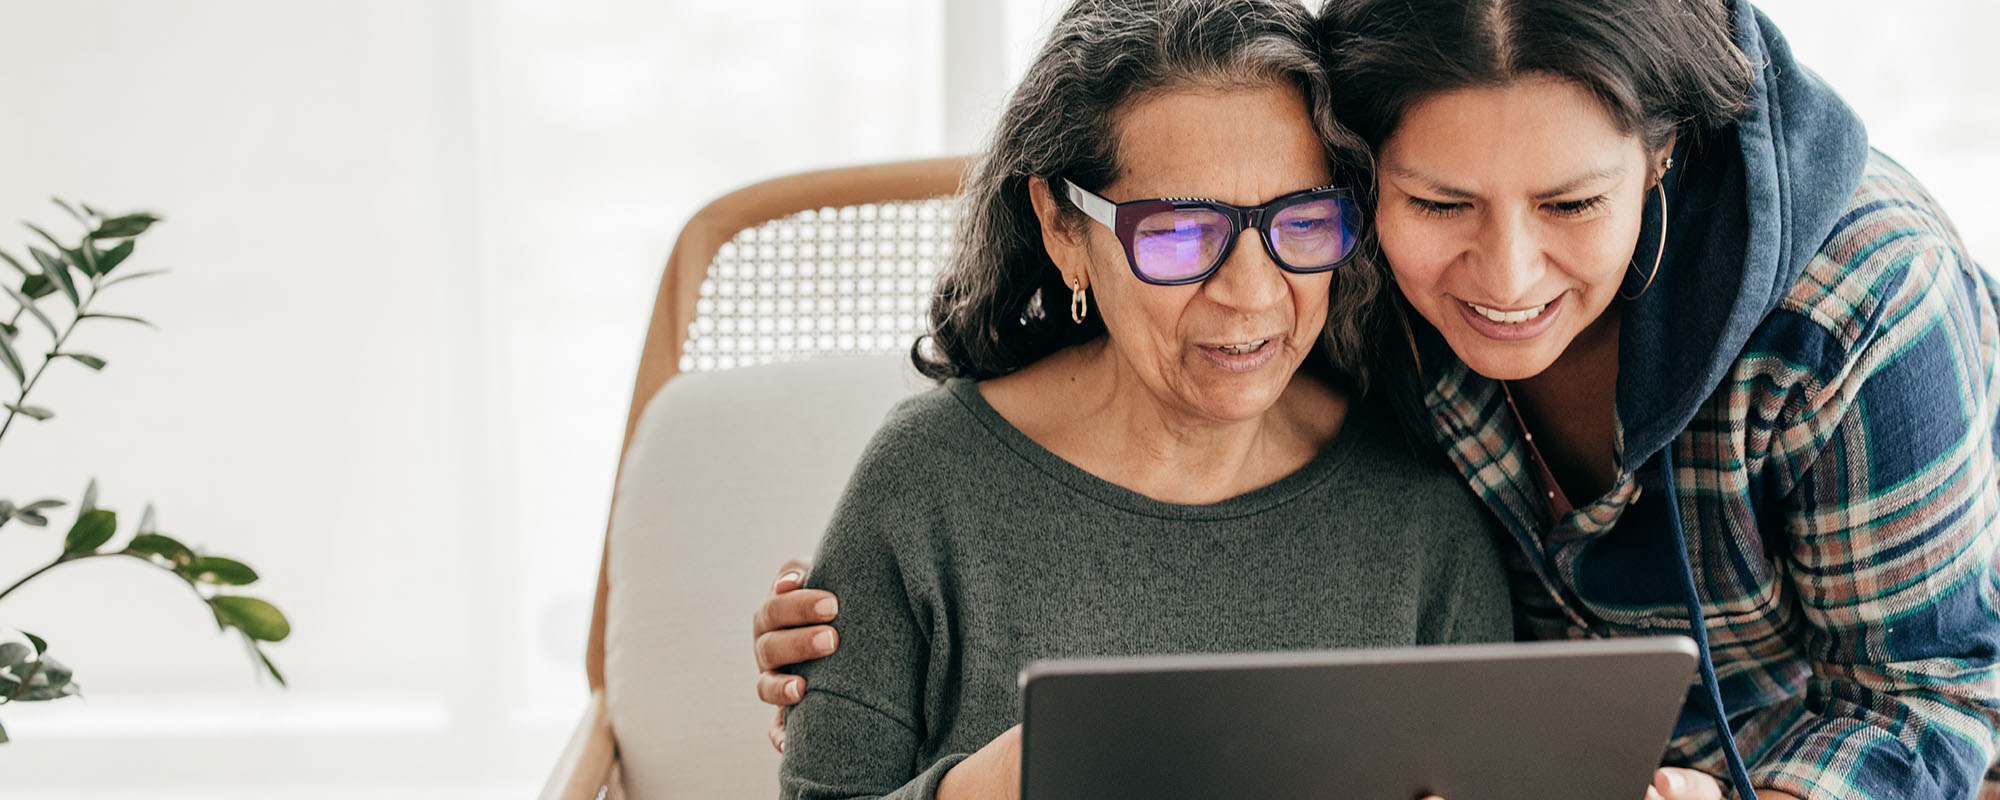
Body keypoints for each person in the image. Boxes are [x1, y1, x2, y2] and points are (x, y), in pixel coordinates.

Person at [760, 1, 2000, 798]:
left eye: (1569, 203)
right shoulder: (1349, 301)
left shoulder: (1859, 309)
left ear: (1661, 154)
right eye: (1438, 204)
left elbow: (1940, 690)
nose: (1503, 280)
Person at [771, 1, 1514, 798]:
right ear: (1062, 227)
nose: (1252, 294)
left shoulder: (1420, 516)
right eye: (1180, 232)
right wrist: (988, 787)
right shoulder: (923, 486)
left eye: (1301, 221)